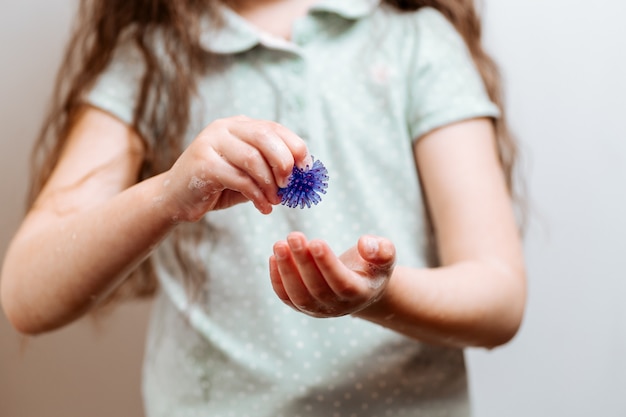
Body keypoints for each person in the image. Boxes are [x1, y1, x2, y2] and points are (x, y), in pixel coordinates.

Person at [1, 0, 527, 415]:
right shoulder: (148, 63)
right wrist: (168, 196)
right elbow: (27, 296)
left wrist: (379, 296)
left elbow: (499, 301)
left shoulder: (418, 42)